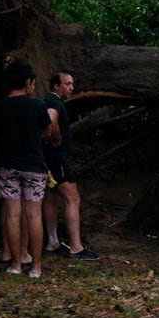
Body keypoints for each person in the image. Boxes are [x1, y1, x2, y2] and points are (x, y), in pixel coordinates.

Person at [0, 60, 54, 278]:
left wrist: (0, 159)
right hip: (34, 166)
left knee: (12, 215)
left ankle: (15, 264)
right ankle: (36, 267)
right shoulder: (37, 105)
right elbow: (48, 132)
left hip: (8, 166)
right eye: (32, 83)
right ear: (27, 82)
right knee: (34, 215)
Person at [42, 70, 99, 260]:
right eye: (67, 84)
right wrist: (55, 136)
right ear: (56, 86)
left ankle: (52, 242)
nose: (72, 88)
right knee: (72, 200)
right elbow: (50, 119)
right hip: (57, 159)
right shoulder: (54, 102)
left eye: (72, 84)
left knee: (50, 198)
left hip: (49, 159)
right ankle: (76, 246)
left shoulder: (49, 100)